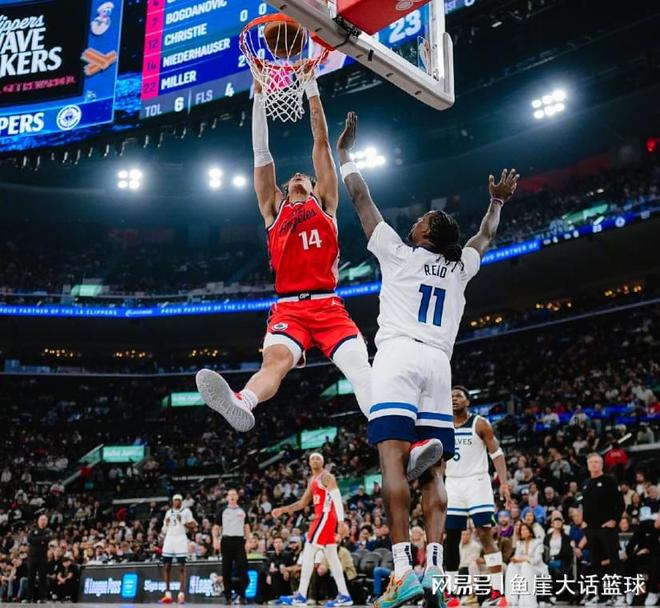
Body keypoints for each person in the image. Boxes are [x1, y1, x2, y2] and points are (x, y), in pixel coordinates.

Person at [336, 111, 518, 608]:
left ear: (428, 234)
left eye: (420, 221)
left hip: (397, 356)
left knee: (392, 460)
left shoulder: (399, 254)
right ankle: (434, 569)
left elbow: (361, 199)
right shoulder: (459, 268)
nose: (414, 222)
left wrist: (346, 154)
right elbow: (485, 236)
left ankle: (401, 573)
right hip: (439, 365)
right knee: (433, 470)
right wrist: (496, 202)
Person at [194, 73, 372, 434]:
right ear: (284, 189)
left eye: (305, 176)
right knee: (273, 363)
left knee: (361, 370)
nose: (299, 175)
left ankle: (398, 431)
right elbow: (261, 152)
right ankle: (243, 400)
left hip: (327, 304)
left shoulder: (326, 203)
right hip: (289, 308)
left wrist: (311, 87)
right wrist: (259, 97)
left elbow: (320, 142)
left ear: (315, 186)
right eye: (293, 177)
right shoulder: (273, 210)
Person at [444, 385, 512, 608]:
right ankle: (450, 593)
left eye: (459, 396)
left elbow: (497, 453)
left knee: (485, 535)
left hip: (477, 481)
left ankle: (498, 592)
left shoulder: (480, 423)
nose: (454, 399)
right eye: (451, 396)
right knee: (451, 538)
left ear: (468, 401)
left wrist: (503, 482)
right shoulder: (443, 425)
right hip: (452, 483)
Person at [272, 453, 353, 607]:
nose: (315, 460)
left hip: (325, 517)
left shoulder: (327, 477)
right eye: (312, 459)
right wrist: (283, 509)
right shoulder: (312, 480)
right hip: (323, 518)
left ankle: (301, 595)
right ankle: (345, 595)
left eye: (318, 458)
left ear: (323, 462)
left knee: (308, 552)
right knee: (332, 557)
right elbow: (302, 503)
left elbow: (337, 499)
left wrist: (341, 522)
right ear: (309, 463)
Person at [581, 453, 625, 606]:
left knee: (613, 561)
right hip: (591, 530)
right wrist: (584, 521)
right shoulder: (586, 483)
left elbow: (620, 503)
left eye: (596, 462)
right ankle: (602, 595)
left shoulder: (609, 480)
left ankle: (619, 594)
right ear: (588, 465)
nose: (593, 464)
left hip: (606, 529)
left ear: (601, 464)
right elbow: (586, 505)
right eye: (591, 462)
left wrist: (614, 520)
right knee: (595, 563)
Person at [213, 489, 250, 605]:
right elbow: (216, 527)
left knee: (243, 568)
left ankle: (242, 595)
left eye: (234, 494)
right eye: (230, 495)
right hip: (226, 540)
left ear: (237, 497)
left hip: (239, 541)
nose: (232, 496)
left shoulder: (242, 510)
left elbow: (247, 526)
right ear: (227, 498)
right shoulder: (222, 511)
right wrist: (215, 539)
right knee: (226, 570)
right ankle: (228, 597)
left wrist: (248, 541)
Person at [160, 493, 196, 604]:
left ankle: (181, 594)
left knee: (182, 566)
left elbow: (193, 527)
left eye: (178, 500)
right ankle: (167, 594)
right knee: (166, 565)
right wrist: (166, 524)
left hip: (180, 539)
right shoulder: (168, 512)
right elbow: (164, 530)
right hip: (169, 538)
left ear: (181, 501)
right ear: (172, 501)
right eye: (175, 500)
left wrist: (183, 522)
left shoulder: (186, 511)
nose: (177, 502)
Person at [504, 523, 547, 608]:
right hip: (523, 567)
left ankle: (529, 601)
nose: (523, 531)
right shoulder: (520, 543)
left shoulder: (538, 542)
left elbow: (536, 560)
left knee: (525, 565)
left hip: (537, 568)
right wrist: (515, 559)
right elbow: (517, 557)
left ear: (530, 532)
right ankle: (511, 600)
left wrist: (523, 559)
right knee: (511, 566)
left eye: (525, 529)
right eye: (522, 530)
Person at [26, 514, 51, 603]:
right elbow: (29, 540)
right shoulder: (33, 530)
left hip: (42, 558)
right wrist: (41, 540)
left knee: (42, 579)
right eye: (41, 519)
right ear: (38, 521)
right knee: (30, 578)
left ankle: (42, 598)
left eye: (44, 520)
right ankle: (29, 598)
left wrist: (36, 540)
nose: (43, 521)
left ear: (47, 522)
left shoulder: (48, 531)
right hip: (32, 557)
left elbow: (47, 539)